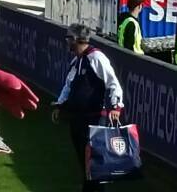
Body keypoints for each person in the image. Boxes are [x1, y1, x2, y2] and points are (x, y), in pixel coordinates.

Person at [52, 23, 124, 192]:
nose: (66, 41)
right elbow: (68, 86)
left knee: (94, 163)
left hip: (94, 119)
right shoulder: (77, 61)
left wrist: (115, 106)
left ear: (77, 39)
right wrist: (60, 105)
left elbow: (113, 83)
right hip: (77, 119)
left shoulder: (97, 58)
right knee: (83, 161)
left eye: (68, 37)